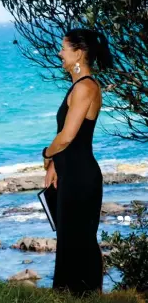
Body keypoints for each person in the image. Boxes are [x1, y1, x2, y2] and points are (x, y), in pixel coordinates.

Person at [42, 28, 114, 296]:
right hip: (70, 174)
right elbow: (66, 136)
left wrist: (47, 154)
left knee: (80, 240)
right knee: (70, 239)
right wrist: (53, 167)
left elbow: (68, 137)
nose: (60, 52)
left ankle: (86, 295)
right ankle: (71, 296)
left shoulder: (85, 86)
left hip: (81, 177)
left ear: (79, 53)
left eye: (64, 47)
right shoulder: (78, 86)